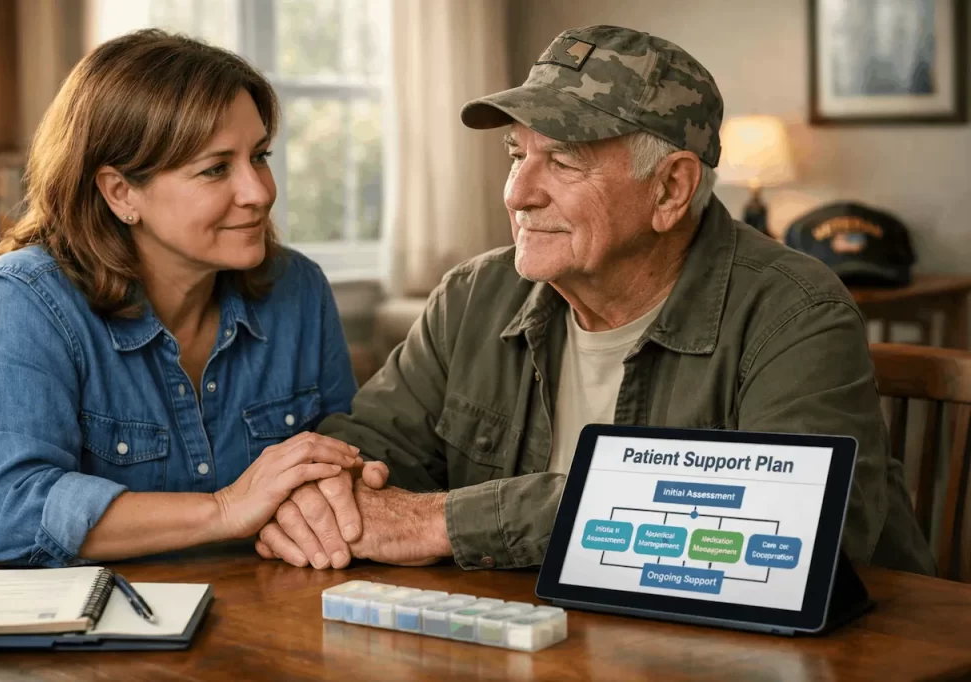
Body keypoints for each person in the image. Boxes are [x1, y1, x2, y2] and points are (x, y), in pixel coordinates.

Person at [254, 25, 935, 576]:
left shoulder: (796, 311)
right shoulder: (474, 295)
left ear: (671, 190)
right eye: (517, 154)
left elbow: (793, 529)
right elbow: (363, 448)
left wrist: (439, 522)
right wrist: (324, 498)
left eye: (566, 161)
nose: (519, 192)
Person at [0, 29, 386, 567]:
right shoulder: (25, 299)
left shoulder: (299, 290)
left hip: (263, 618)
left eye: (260, 155)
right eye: (216, 168)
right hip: (78, 639)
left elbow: (337, 473)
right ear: (121, 192)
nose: (260, 192)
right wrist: (225, 509)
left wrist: (345, 486)